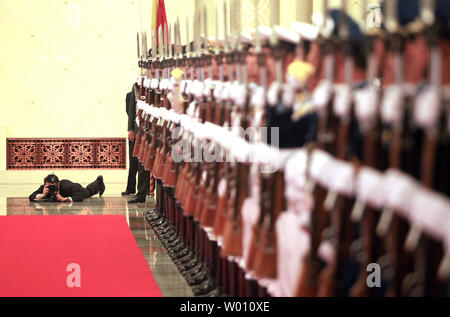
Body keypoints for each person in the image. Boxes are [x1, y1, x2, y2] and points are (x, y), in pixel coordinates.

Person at [123, 82, 150, 204]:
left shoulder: (155, 86)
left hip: (152, 129)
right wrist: (130, 128)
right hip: (140, 128)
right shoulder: (137, 86)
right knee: (138, 162)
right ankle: (140, 192)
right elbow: (132, 109)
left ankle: (144, 192)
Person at [29, 174, 105, 203]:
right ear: (45, 184)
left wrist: (65, 199)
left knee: (87, 192)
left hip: (77, 191)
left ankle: (98, 182)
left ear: (58, 183)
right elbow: (31, 197)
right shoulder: (44, 188)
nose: (51, 188)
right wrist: (42, 195)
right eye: (49, 186)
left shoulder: (66, 186)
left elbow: (80, 194)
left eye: (54, 186)